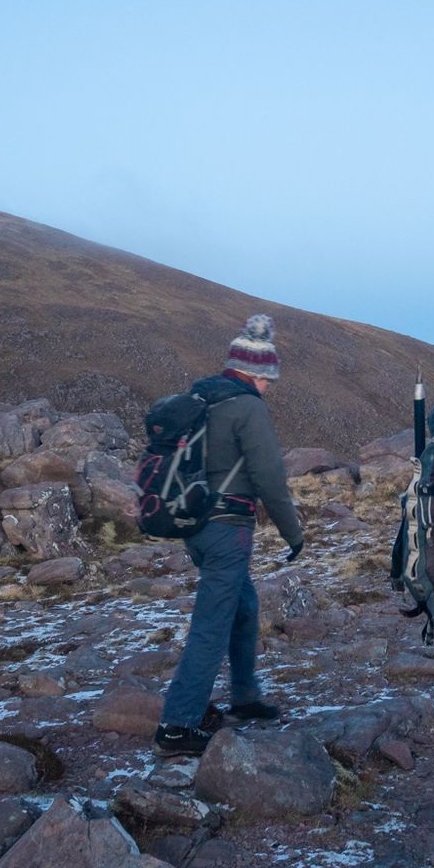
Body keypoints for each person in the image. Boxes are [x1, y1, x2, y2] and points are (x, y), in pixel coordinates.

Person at [153, 314, 306, 757]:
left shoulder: (202, 396)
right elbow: (269, 476)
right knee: (212, 624)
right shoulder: (247, 407)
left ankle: (244, 697)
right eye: (268, 378)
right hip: (228, 529)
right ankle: (178, 726)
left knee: (244, 604)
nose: (270, 386)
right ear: (256, 373)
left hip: (196, 525)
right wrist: (292, 533)